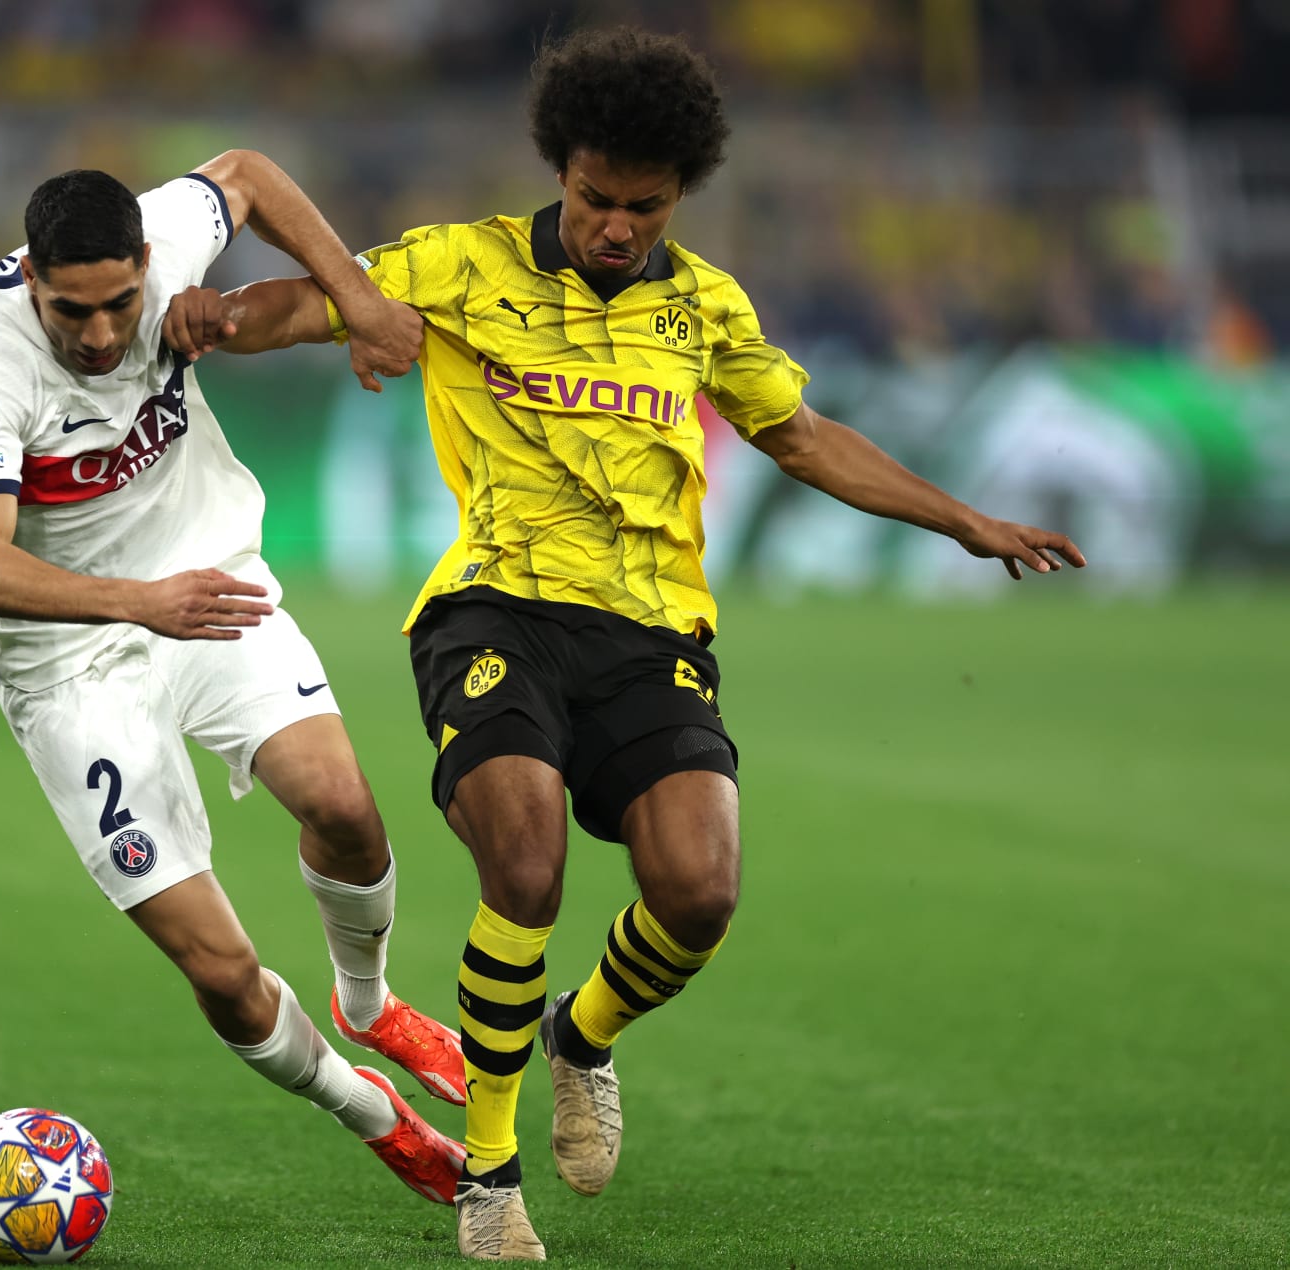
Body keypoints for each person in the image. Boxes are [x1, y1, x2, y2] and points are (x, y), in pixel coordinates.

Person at [164, 27, 1087, 1261]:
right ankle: (488, 1173)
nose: (614, 223)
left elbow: (802, 436)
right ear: (562, 168)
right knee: (527, 864)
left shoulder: (705, 305)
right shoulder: (463, 264)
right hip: (493, 610)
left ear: (679, 196)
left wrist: (962, 519)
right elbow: (316, 303)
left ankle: (580, 1037)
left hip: (654, 633)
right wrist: (221, 314)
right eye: (596, 196)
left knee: (699, 894)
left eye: (642, 207)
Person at [0, 151, 470, 1216]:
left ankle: (367, 1003)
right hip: (69, 658)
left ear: (146, 263)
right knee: (221, 970)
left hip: (207, 583)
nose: (97, 333)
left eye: (121, 303)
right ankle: (376, 1117)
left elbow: (251, 174)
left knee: (345, 808)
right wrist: (136, 599)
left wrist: (358, 302)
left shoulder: (170, 245)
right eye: (70, 311)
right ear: (30, 277)